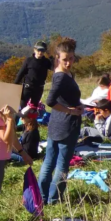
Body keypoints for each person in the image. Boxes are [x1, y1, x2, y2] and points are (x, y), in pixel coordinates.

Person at [38, 38, 83, 205]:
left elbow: (63, 99)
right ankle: (53, 199)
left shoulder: (64, 73)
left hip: (56, 124)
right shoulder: (61, 77)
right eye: (65, 59)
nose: (69, 62)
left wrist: (78, 105)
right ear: (57, 58)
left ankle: (41, 197)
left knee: (49, 161)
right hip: (66, 125)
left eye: (71, 58)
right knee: (61, 164)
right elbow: (50, 101)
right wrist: (70, 111)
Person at [14, 41, 53, 109]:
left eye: (42, 50)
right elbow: (21, 74)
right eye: (38, 50)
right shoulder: (28, 60)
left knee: (34, 108)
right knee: (22, 108)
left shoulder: (46, 62)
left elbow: (54, 68)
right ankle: (18, 119)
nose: (40, 52)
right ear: (34, 50)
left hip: (39, 89)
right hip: (27, 88)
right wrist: (14, 85)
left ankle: (32, 119)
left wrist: (51, 57)